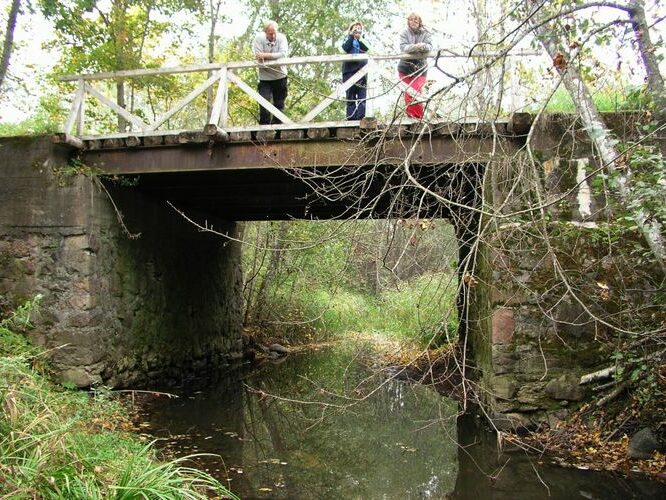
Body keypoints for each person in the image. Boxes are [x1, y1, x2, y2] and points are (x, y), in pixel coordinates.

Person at [253, 20, 289, 125]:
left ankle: (277, 129)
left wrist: (265, 56)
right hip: (265, 78)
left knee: (279, 104)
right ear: (265, 33)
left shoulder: (282, 38)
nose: (273, 35)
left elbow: (283, 54)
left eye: (274, 33)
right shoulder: (259, 39)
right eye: (270, 33)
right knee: (264, 103)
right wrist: (267, 57)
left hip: (280, 76)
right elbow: (258, 56)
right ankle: (264, 128)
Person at [397, 13, 432, 119]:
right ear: (408, 22)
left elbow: (429, 46)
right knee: (408, 94)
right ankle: (411, 118)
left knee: (417, 91)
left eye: (416, 20)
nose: (413, 22)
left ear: (420, 21)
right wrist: (417, 47)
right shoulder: (404, 32)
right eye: (411, 20)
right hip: (405, 67)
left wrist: (423, 46)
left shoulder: (426, 33)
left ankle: (418, 118)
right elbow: (403, 48)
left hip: (420, 67)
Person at [341, 21, 370, 121]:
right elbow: (344, 50)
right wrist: (351, 36)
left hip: (362, 70)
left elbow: (369, 49)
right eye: (355, 28)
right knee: (350, 95)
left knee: (362, 95)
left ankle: (361, 117)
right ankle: (351, 118)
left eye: (359, 28)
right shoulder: (346, 39)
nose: (357, 30)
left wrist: (360, 38)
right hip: (349, 71)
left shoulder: (364, 40)